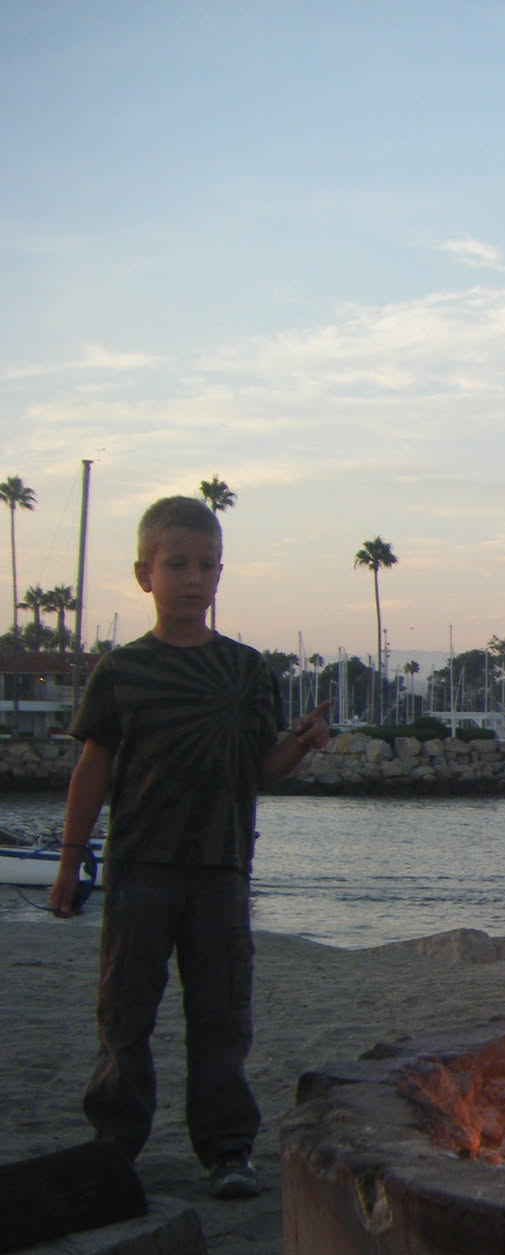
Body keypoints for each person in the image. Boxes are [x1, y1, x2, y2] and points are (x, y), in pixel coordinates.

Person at [49, 495, 331, 1199]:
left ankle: (228, 1151)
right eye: (176, 564)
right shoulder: (122, 671)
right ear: (144, 574)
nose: (192, 578)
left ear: (221, 575)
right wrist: (69, 862)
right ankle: (114, 1146)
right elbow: (93, 768)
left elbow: (258, 770)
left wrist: (300, 745)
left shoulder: (245, 670)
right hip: (138, 869)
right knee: (124, 1016)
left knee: (221, 1018)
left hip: (220, 871)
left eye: (206, 565)